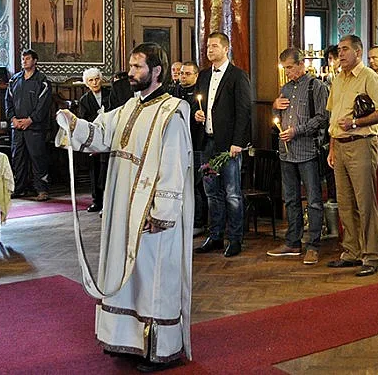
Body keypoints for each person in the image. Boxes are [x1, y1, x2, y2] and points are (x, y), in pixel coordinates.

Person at [56, 43, 193, 373]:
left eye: (137, 67)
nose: (131, 73)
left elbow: (175, 165)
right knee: (124, 273)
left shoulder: (172, 113)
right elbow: (101, 134)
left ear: (155, 71)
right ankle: (129, 341)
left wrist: (162, 212)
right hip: (121, 208)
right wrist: (74, 124)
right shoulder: (128, 107)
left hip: (151, 214)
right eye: (131, 66)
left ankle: (158, 349)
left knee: (152, 277)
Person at [326, 34, 378, 277]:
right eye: (339, 50)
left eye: (345, 50)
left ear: (358, 52)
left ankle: (371, 256)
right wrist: (332, 148)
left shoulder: (370, 78)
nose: (340, 54)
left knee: (365, 203)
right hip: (340, 147)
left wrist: (355, 122)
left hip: (361, 144)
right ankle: (351, 252)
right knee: (345, 202)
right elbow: (333, 118)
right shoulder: (338, 79)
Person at [267, 48, 330, 265]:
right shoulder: (285, 88)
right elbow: (277, 116)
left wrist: (298, 130)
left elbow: (323, 117)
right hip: (286, 152)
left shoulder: (316, 86)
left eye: (290, 68)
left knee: (313, 200)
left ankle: (313, 244)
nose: (288, 72)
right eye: (285, 68)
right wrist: (275, 108)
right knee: (291, 199)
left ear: (301, 64)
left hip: (307, 151)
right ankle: (293, 242)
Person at [194, 32, 252, 258]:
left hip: (229, 145)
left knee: (232, 193)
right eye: (208, 46)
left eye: (214, 46)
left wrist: (238, 142)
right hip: (207, 141)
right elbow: (197, 102)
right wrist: (196, 113)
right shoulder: (204, 76)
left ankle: (235, 238)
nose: (210, 50)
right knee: (212, 193)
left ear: (226, 49)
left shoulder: (238, 76)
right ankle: (216, 235)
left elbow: (244, 111)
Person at [6, 49, 52, 201]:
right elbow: (8, 102)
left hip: (35, 127)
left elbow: (43, 105)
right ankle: (19, 189)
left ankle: (42, 190)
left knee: (37, 158)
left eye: (27, 59)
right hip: (17, 127)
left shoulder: (42, 81)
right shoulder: (14, 80)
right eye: (23, 59)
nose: (24, 61)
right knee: (17, 158)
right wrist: (12, 119)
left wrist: (31, 120)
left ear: (35, 61)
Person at [172, 61, 205, 234]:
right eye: (181, 73)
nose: (183, 76)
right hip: (178, 144)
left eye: (187, 74)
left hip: (196, 143)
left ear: (196, 75)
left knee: (196, 185)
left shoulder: (200, 93)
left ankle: (198, 222)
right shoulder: (174, 91)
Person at [77, 67, 110, 213]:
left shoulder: (110, 94)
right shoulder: (84, 100)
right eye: (91, 80)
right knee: (95, 170)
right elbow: (84, 120)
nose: (95, 82)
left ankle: (110, 202)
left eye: (97, 79)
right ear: (87, 83)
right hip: (95, 138)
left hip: (110, 135)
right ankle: (97, 201)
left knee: (108, 170)